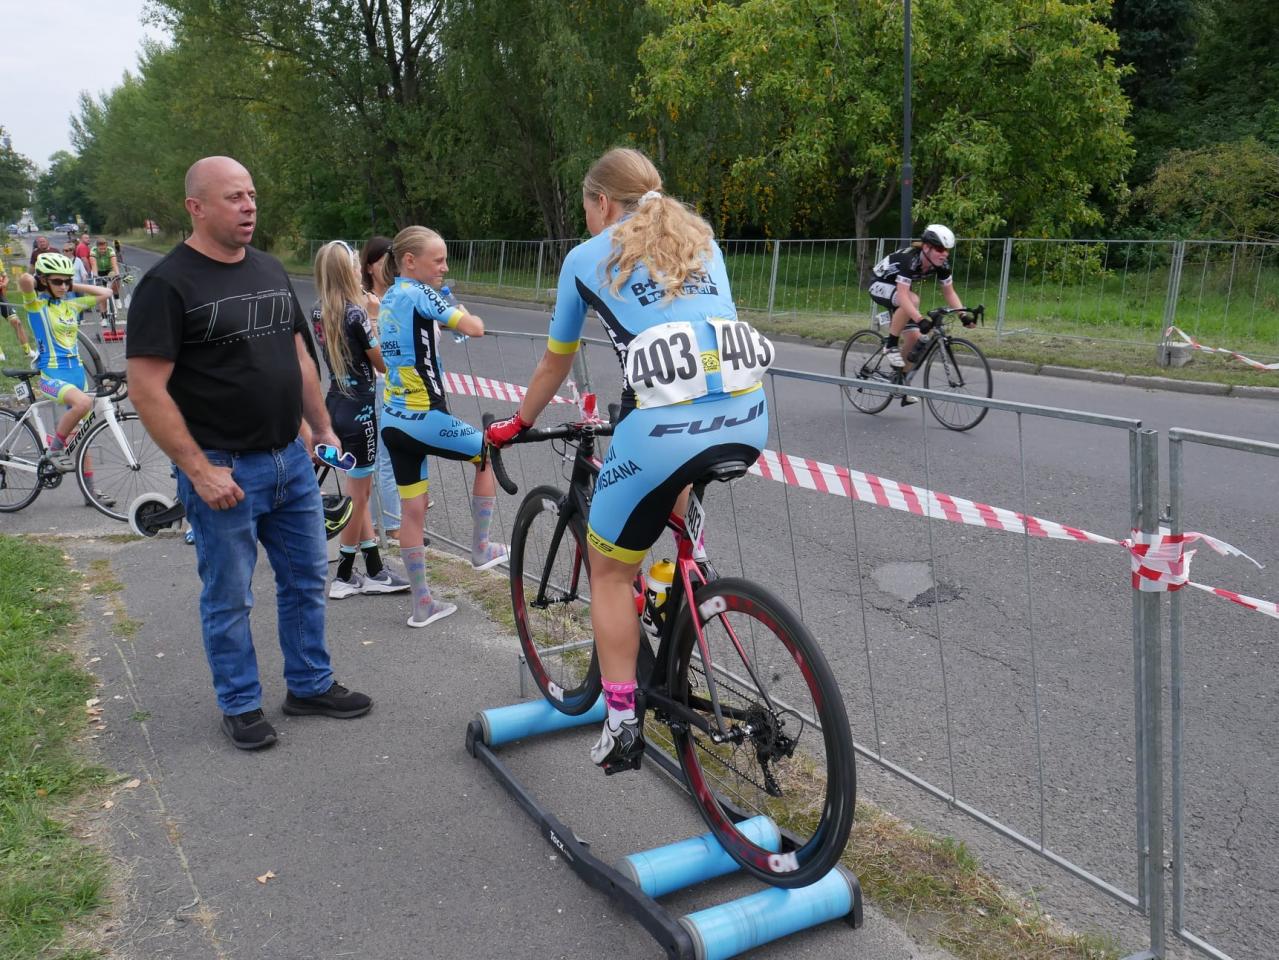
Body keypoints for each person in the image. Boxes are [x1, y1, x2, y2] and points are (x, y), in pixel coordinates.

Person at [485, 147, 772, 772]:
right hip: (746, 417)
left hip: (664, 427)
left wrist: (517, 424)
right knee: (668, 491)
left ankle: (621, 723)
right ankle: (684, 584)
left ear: (600, 203)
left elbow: (555, 360)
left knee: (610, 569)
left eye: (586, 208)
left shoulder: (586, 257)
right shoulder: (701, 239)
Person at [126, 156, 372, 751]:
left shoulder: (267, 268)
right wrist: (198, 471)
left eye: (252, 195)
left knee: (306, 578)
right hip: (224, 469)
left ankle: (310, 685)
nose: (249, 207)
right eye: (234, 197)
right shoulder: (168, 285)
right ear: (196, 206)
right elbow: (147, 387)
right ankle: (239, 703)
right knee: (230, 594)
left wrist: (320, 428)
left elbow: (299, 356)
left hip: (290, 458)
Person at [377, 226, 506, 628]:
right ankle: (482, 549)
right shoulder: (420, 291)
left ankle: (423, 605)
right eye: (438, 260)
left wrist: (447, 305)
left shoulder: (390, 296)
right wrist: (464, 312)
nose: (445, 268)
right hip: (424, 417)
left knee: (413, 512)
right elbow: (473, 328)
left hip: (392, 420)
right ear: (410, 262)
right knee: (487, 452)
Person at [310, 239, 409, 597]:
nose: (358, 269)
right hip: (362, 408)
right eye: (354, 264)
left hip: (335, 401)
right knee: (359, 496)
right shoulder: (356, 313)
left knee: (357, 490)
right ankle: (345, 575)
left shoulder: (320, 310)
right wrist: (377, 316)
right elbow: (381, 362)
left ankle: (374, 568)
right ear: (347, 271)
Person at [17, 253, 117, 505]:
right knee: (83, 404)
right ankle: (54, 450)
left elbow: (105, 293)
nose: (63, 287)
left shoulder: (70, 305)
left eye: (66, 282)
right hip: (52, 376)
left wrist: (72, 284)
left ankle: (90, 493)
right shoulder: (36, 307)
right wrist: (38, 279)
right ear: (44, 281)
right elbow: (26, 281)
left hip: (77, 377)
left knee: (83, 437)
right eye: (57, 282)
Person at [867, 224, 966, 404]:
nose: (944, 253)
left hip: (899, 293)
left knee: (915, 339)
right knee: (913, 300)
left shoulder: (942, 264)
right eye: (940, 249)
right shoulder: (910, 259)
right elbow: (904, 295)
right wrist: (920, 319)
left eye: (947, 250)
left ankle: (900, 384)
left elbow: (949, 292)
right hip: (879, 284)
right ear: (926, 247)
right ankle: (890, 345)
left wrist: (963, 315)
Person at [359, 235, 403, 546]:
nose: (390, 266)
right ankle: (386, 527)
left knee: (396, 454)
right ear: (371, 266)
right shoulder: (365, 299)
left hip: (402, 384)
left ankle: (387, 524)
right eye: (384, 259)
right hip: (377, 383)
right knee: (380, 457)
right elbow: (372, 348)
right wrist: (374, 316)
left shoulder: (400, 294)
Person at [0, 269, 38, 363]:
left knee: (17, 322)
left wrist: (4, 283)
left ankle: (28, 351)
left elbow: (6, 277)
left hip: (1, 296)